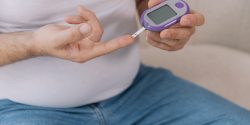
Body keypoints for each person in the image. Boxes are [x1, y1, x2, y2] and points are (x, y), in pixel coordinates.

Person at [0, 0, 249, 124]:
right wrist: (32, 43)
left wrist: (159, 18)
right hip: (23, 107)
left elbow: (145, 3)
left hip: (138, 91)